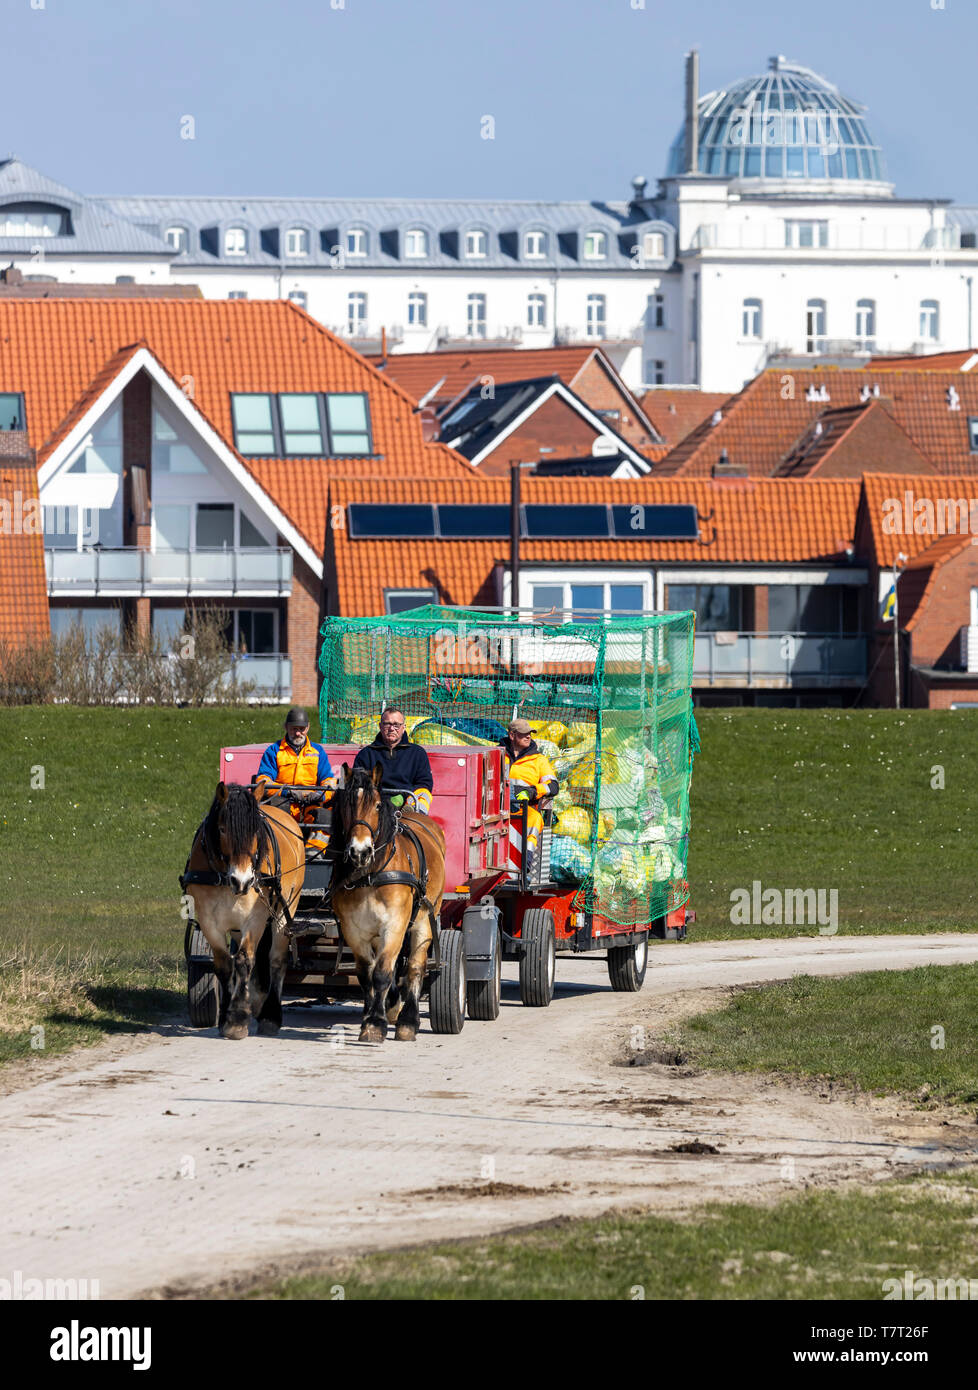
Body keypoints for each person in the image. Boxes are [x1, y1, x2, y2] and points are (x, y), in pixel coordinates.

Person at [254, 706, 335, 853]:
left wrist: (319, 794)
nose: (298, 733)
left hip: (311, 803)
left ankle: (314, 853)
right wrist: (287, 791)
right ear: (286, 727)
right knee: (274, 815)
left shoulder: (318, 752)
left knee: (325, 816)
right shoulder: (274, 751)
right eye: (293, 728)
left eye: (301, 729)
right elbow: (264, 781)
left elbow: (329, 781)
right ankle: (281, 853)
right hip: (284, 803)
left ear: (308, 727)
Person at [499, 717, 559, 874]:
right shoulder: (497, 754)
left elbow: (553, 786)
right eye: (524, 734)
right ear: (512, 735)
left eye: (530, 734)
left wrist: (532, 792)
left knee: (534, 819)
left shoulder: (539, 760)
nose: (528, 737)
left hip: (523, 808)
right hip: (497, 808)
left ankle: (524, 863)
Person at [353, 706, 433, 814]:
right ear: (380, 726)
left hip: (408, 804)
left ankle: (413, 819)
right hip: (374, 806)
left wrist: (402, 799)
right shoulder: (366, 754)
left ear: (404, 727)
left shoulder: (418, 753)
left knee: (424, 793)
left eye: (396, 725)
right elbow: (359, 783)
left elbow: (424, 783)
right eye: (387, 724)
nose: (391, 729)